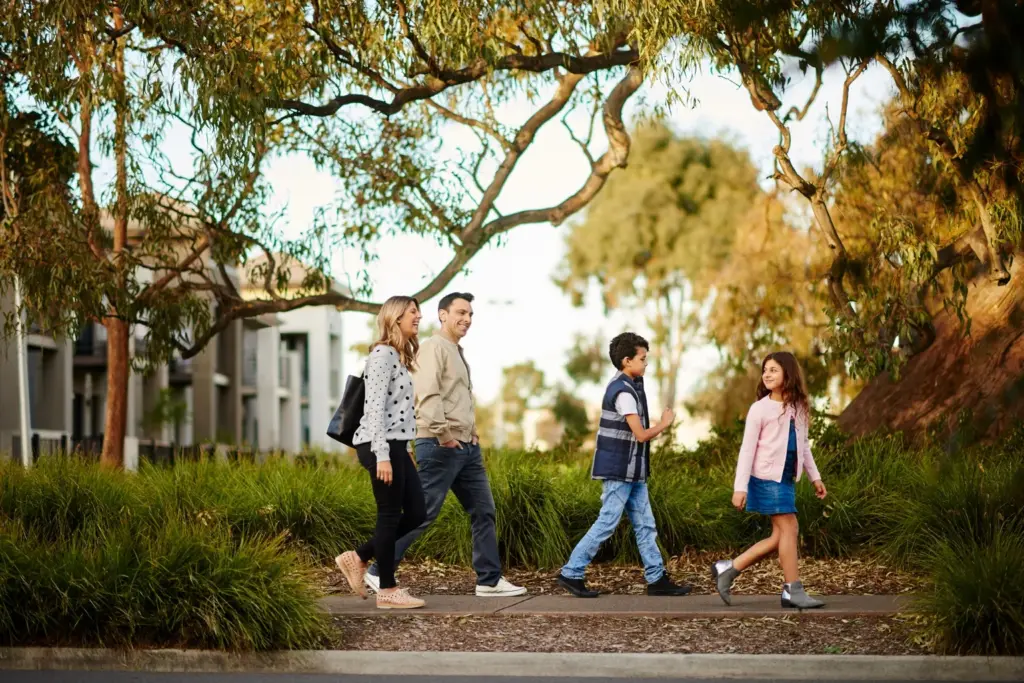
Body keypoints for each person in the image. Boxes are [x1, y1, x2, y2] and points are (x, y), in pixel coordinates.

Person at [363, 292, 527, 597]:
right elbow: (428, 395)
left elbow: (460, 397)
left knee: (483, 509)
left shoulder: (455, 350)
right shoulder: (432, 348)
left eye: (470, 314)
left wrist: (472, 432)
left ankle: (489, 580)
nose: (466, 319)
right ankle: (377, 570)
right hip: (440, 444)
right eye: (460, 313)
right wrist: (445, 435)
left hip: (466, 446)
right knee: (421, 514)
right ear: (443, 315)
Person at [556, 332, 692, 598]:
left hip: (633, 471)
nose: (646, 364)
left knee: (645, 524)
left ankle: (657, 579)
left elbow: (636, 433)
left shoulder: (630, 384)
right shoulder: (623, 392)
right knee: (607, 522)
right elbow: (640, 434)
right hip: (619, 470)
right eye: (642, 359)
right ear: (627, 361)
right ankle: (571, 572)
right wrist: (664, 424)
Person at [711, 351, 828, 609]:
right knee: (790, 526)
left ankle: (728, 569)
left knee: (780, 535)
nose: (767, 374)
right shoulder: (759, 409)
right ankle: (792, 590)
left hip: (786, 477)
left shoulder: (799, 408)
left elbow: (804, 447)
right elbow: (747, 449)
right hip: (765, 477)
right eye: (765, 370)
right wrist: (739, 487)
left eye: (774, 369)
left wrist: (815, 477)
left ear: (789, 373)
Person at [335, 296, 428, 609]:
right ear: (395, 316)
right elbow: (373, 410)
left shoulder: (399, 358)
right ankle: (387, 590)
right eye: (413, 312)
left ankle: (359, 556)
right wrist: (383, 455)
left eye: (418, 311)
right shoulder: (382, 355)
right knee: (388, 515)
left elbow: (399, 412)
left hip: (397, 446)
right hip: (379, 445)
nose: (418, 316)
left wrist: (407, 450)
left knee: (417, 512)